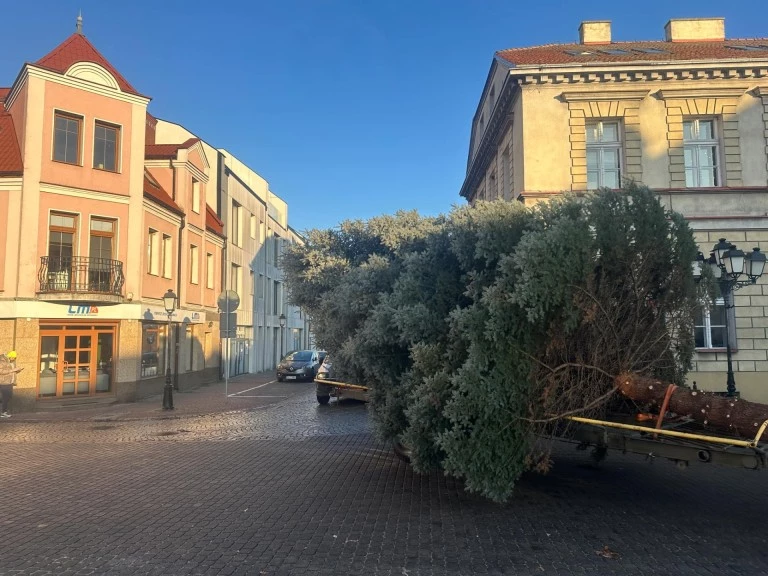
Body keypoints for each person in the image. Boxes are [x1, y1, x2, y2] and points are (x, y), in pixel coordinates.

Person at [0, 351, 22, 418]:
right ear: (10, 356)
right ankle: (3, 412)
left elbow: (11, 371)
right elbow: (1, 371)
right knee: (6, 397)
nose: (14, 359)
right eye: (14, 358)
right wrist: (12, 370)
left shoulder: (9, 362)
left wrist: (17, 370)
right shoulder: (2, 361)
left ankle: (3, 411)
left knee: (8, 396)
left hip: (10, 382)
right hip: (4, 382)